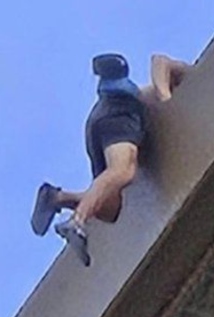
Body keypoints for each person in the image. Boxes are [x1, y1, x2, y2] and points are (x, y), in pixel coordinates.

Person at [31, 53, 191, 266]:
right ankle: (77, 222)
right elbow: (158, 60)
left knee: (109, 209)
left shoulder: (136, 94)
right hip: (118, 115)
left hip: (101, 120)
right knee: (123, 171)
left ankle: (57, 198)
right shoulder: (150, 90)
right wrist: (164, 97)